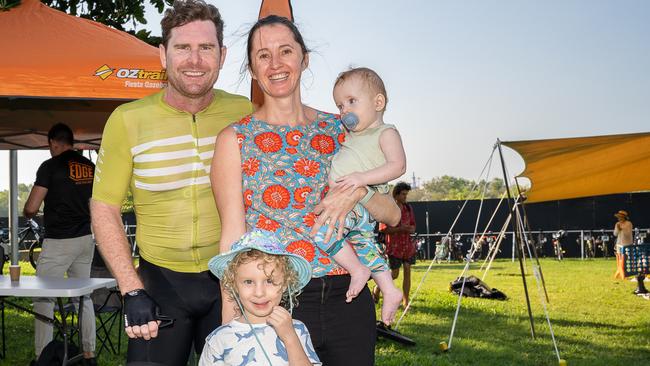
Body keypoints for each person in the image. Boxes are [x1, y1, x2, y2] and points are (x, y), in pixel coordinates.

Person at [211, 15, 400, 366]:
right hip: (275, 303)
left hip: (349, 296)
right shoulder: (233, 139)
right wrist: (230, 325)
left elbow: (393, 214)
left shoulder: (345, 128)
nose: (276, 64)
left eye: (286, 51)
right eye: (263, 55)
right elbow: (232, 240)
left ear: (304, 58)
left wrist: (360, 193)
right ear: (252, 68)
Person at [90, 1, 253, 364]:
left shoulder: (244, 112)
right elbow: (104, 207)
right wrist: (131, 289)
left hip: (231, 279)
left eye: (206, 48)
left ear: (222, 55)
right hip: (159, 283)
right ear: (163, 55)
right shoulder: (127, 120)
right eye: (183, 48)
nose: (194, 60)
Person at [310, 67, 405, 325]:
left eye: (352, 101)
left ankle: (356, 269)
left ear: (378, 102)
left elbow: (398, 166)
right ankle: (389, 289)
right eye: (340, 105)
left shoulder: (385, 132)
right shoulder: (354, 134)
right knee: (366, 245)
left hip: (358, 202)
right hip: (354, 205)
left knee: (321, 233)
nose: (344, 111)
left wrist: (360, 181)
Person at [23, 123, 97, 365]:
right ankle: (88, 354)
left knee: (44, 298)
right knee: (83, 297)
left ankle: (43, 357)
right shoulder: (89, 166)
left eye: (49, 145)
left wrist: (28, 212)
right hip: (86, 238)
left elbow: (32, 207)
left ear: (54, 142)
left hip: (59, 241)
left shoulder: (50, 166)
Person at [199, 229, 320, 366]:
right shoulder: (219, 339)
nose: (259, 293)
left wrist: (290, 337)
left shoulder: (297, 329)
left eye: (269, 281)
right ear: (234, 285)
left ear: (285, 283)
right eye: (248, 282)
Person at [377, 182, 416, 308]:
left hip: (407, 247)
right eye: (403, 194)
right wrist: (400, 229)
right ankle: (377, 288)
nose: (405, 197)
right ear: (396, 194)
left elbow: (413, 226)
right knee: (394, 274)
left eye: (406, 194)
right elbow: (383, 229)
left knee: (407, 270)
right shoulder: (389, 208)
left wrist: (410, 229)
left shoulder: (408, 208)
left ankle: (406, 301)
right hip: (394, 247)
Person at [613, 210, 633, 280]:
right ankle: (621, 273)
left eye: (620, 217)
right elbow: (615, 234)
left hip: (627, 244)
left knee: (624, 260)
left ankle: (623, 274)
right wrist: (618, 229)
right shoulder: (617, 224)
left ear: (624, 217)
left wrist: (621, 229)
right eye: (618, 217)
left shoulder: (629, 224)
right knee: (619, 260)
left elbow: (628, 234)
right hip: (619, 244)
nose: (619, 218)